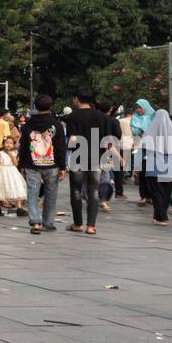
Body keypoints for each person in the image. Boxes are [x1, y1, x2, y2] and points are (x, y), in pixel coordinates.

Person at [63, 90, 114, 235]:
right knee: (93, 191)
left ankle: (78, 224)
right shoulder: (101, 117)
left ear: (77, 99)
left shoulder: (72, 116)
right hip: (96, 158)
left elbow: (72, 140)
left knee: (76, 190)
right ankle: (91, 226)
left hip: (78, 159)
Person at [18, 93, 66, 235]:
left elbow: (24, 146)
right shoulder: (57, 124)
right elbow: (60, 147)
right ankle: (48, 222)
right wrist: (62, 166)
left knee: (32, 193)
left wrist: (21, 164)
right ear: (51, 107)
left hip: (32, 164)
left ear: (35, 107)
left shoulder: (28, 125)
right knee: (51, 193)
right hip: (52, 165)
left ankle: (35, 222)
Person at [140, 108, 172, 224]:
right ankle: (158, 215)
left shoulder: (149, 132)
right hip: (170, 166)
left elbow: (143, 149)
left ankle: (162, 217)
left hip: (154, 165)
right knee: (166, 192)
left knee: (156, 191)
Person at [0, 134, 28, 215]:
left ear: (13, 145)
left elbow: (15, 164)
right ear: (3, 144)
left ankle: (19, 207)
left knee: (17, 187)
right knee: (0, 188)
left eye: (11, 143)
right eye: (7, 143)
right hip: (1, 171)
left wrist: (11, 155)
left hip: (12, 171)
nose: (8, 144)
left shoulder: (14, 152)